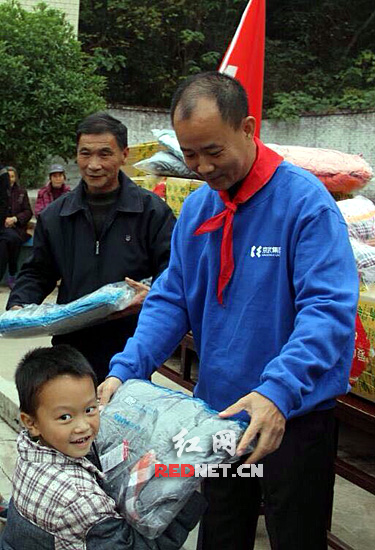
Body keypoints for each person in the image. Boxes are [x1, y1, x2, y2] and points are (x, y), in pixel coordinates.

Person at [98, 72, 359, 550]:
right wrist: (126, 371)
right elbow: (171, 299)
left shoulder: (304, 205)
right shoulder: (198, 210)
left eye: (213, 151)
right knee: (221, 529)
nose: (202, 166)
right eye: (190, 154)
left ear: (248, 128)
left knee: (295, 534)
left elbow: (328, 310)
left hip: (292, 415)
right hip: (218, 416)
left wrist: (279, 391)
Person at [7, 112, 175, 383]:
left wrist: (153, 292)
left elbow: (172, 270)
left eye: (104, 154)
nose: (94, 165)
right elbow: (38, 271)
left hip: (131, 347)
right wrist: (19, 306)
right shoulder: (56, 216)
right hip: (71, 349)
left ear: (124, 154)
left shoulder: (151, 212)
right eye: (85, 154)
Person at [0, 345, 203, 549]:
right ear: (31, 423)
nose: (83, 426)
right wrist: (185, 492)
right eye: (65, 417)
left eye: (89, 409)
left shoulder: (30, 453)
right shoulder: (82, 500)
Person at [0, 166, 32, 289]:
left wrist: (15, 219)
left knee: (13, 239)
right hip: (3, 228)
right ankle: (12, 273)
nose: (10, 180)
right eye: (8, 177)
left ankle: (12, 273)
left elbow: (28, 211)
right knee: (3, 244)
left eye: (12, 177)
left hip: (17, 228)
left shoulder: (21, 192)